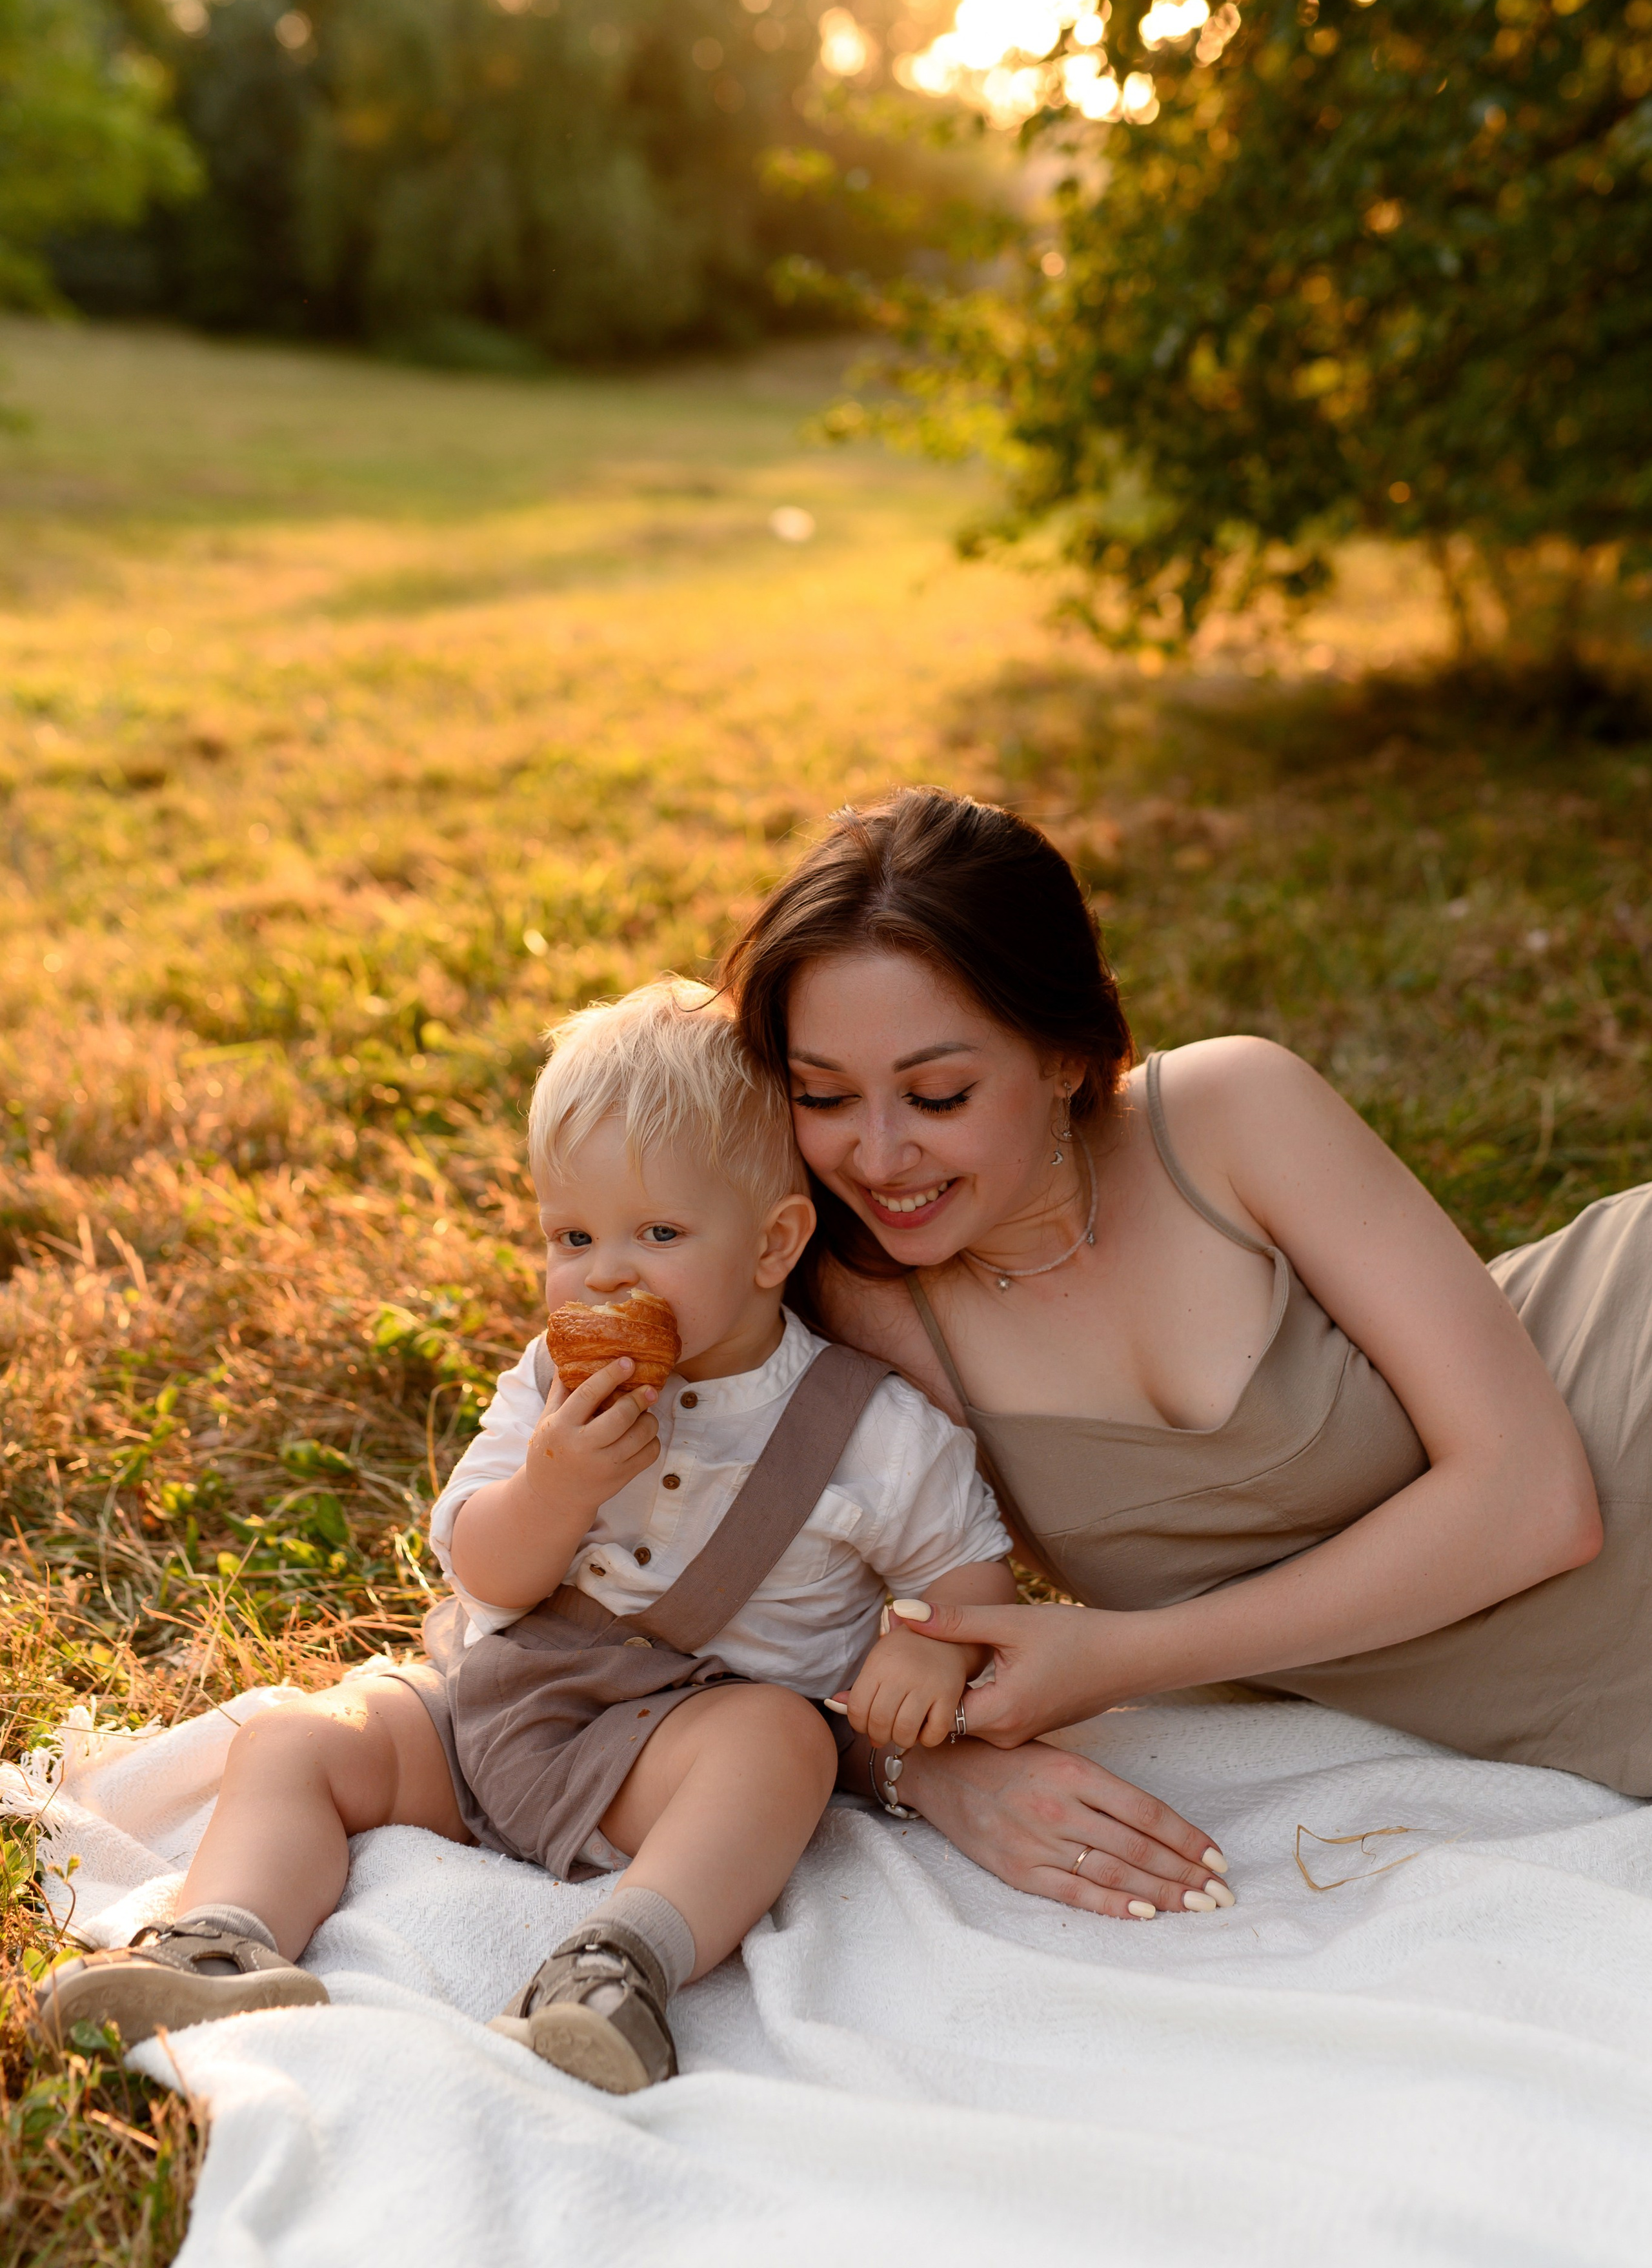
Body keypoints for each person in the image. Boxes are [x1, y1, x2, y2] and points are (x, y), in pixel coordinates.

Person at [35, 979, 1023, 2091]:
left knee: (779, 1747)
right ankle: (220, 1940)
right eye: (573, 1234)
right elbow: (484, 1568)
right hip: (490, 1714)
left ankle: (619, 1966)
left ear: (772, 1244)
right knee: (294, 1741)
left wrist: (928, 1643)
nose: (605, 1271)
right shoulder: (552, 1381)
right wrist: (552, 1485)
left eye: (658, 1232)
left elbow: (969, 1568)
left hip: (664, 1758)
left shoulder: (867, 1428)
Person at [720, 784, 1652, 1923]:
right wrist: (936, 1775)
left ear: (1064, 1055)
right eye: (823, 1097)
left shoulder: (1230, 1115)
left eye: (938, 1093)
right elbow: (740, 1641)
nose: (877, 1156)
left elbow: (1536, 1501)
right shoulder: (861, 1303)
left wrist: (1125, 1654)